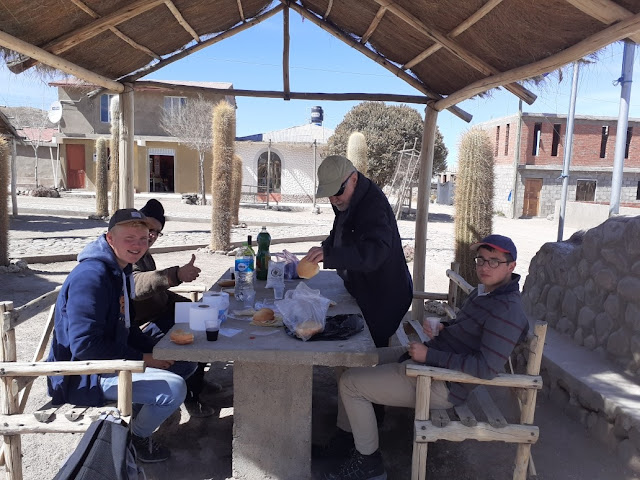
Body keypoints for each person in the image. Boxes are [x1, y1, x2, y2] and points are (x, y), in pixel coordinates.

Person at [322, 234, 530, 480]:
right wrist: (444, 328)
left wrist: (430, 354)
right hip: (430, 361)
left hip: (442, 384)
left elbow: (486, 368)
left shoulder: (506, 310)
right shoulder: (484, 292)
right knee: (355, 360)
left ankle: (369, 465)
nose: (484, 267)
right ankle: (349, 441)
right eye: (481, 260)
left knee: (351, 384)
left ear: (511, 266)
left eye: (494, 261)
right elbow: (468, 331)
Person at [47, 208, 197, 463]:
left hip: (109, 361)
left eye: (143, 239)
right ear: (110, 239)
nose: (138, 245)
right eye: (129, 238)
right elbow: (85, 348)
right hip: (84, 376)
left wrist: (157, 350)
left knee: (184, 360)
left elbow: (125, 328)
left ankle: (135, 414)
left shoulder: (121, 270)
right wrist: (143, 358)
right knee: (174, 388)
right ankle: (134, 439)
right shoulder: (91, 278)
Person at [303, 155, 413, 348]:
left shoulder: (373, 205)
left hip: (384, 296)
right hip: (363, 288)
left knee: (368, 349)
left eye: (337, 191)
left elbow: (375, 252)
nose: (333, 199)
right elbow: (341, 231)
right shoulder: (350, 198)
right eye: (329, 193)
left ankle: (370, 376)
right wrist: (325, 248)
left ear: (353, 179)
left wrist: (331, 256)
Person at [133, 198, 217, 418]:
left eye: (156, 232)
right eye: (147, 227)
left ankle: (196, 386)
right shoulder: (127, 255)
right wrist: (175, 275)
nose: (150, 235)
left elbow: (157, 293)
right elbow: (137, 284)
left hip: (157, 317)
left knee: (199, 319)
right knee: (191, 336)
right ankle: (190, 395)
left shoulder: (145, 255)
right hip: (140, 329)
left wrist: (189, 305)